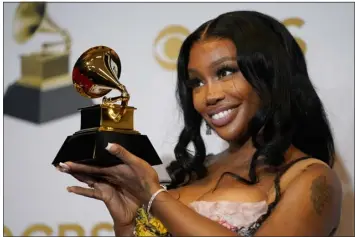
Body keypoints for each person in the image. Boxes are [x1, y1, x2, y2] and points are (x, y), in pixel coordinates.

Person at [57, 10, 342, 236]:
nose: (208, 96)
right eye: (196, 82)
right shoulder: (196, 171)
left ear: (271, 75)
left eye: (225, 72)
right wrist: (128, 224)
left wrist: (156, 198)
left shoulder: (312, 178)